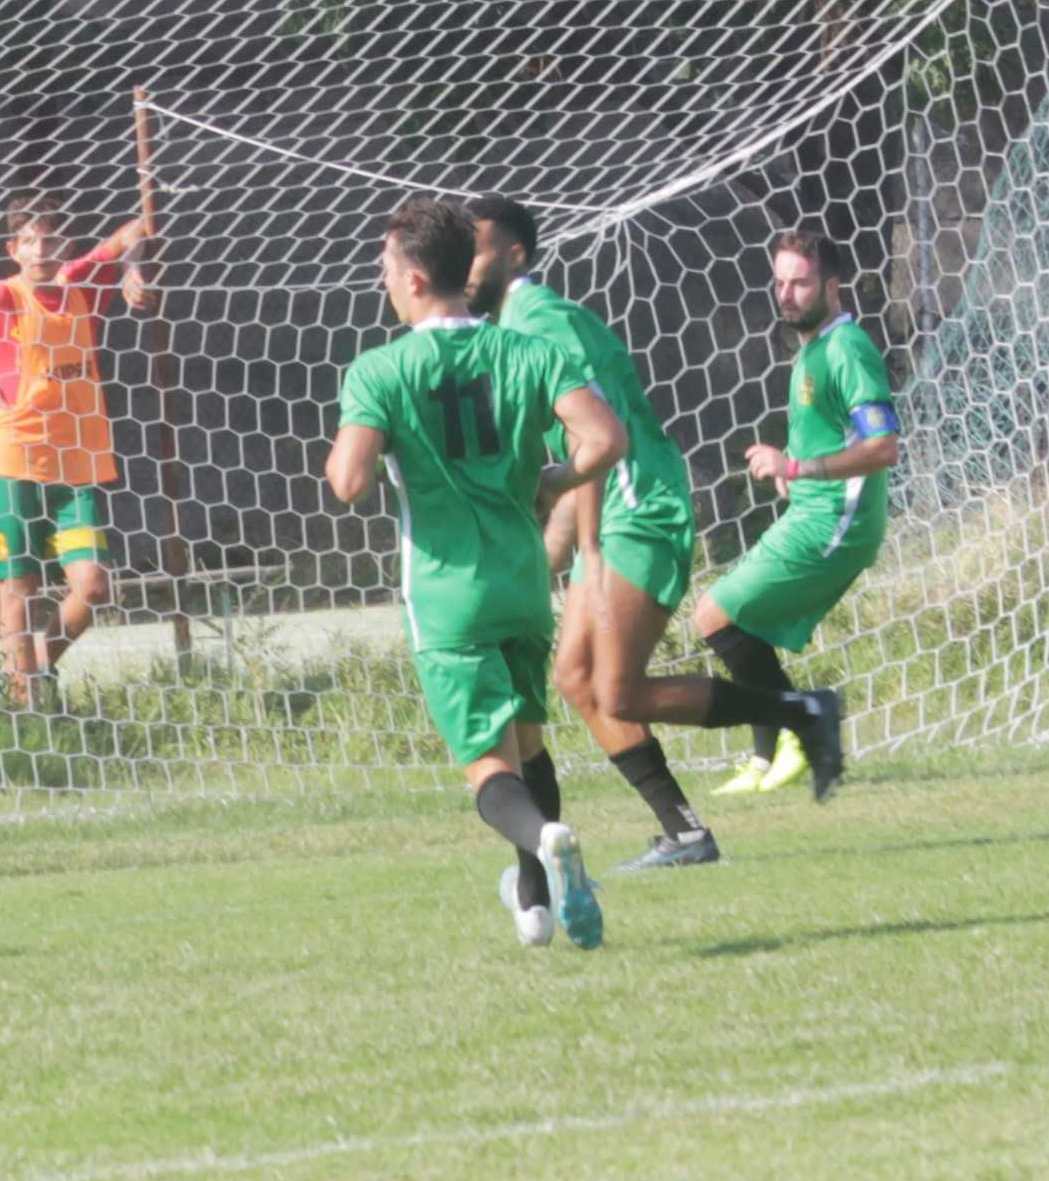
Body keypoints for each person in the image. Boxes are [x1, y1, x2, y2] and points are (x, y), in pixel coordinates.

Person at [468, 196, 847, 874]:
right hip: (612, 512)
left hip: (641, 510)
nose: (465, 266)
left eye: (477, 248)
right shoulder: (523, 322)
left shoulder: (536, 321)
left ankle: (803, 710)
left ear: (514, 255)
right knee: (577, 678)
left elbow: (598, 439)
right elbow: (575, 452)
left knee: (617, 688)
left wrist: (577, 542)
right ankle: (683, 830)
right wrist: (553, 547)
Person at [326, 200, 626, 949]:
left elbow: (350, 482)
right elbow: (605, 439)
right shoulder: (527, 351)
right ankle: (538, 903)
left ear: (418, 276)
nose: (383, 280)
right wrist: (553, 480)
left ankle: (549, 841)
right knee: (529, 744)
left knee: (492, 773)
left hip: (446, 596)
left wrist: (356, 446)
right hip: (525, 582)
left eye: (387, 268)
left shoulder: (381, 370)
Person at [0, 194, 157, 709]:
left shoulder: (82, 283)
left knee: (94, 585)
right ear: (13, 248)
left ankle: (38, 666)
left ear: (66, 245)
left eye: (52, 238)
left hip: (75, 465)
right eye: (31, 240)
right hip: (11, 461)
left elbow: (140, 226)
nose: (43, 250)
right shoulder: (0, 298)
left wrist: (130, 270)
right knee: (18, 588)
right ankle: (24, 709)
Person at [698, 227, 889, 798]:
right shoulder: (813, 349)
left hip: (838, 520)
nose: (786, 294)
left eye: (800, 283)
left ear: (832, 286)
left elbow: (883, 446)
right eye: (779, 282)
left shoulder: (847, 347)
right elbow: (830, 434)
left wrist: (799, 469)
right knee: (731, 619)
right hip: (814, 509)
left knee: (716, 616)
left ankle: (800, 726)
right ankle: (765, 760)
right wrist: (792, 471)